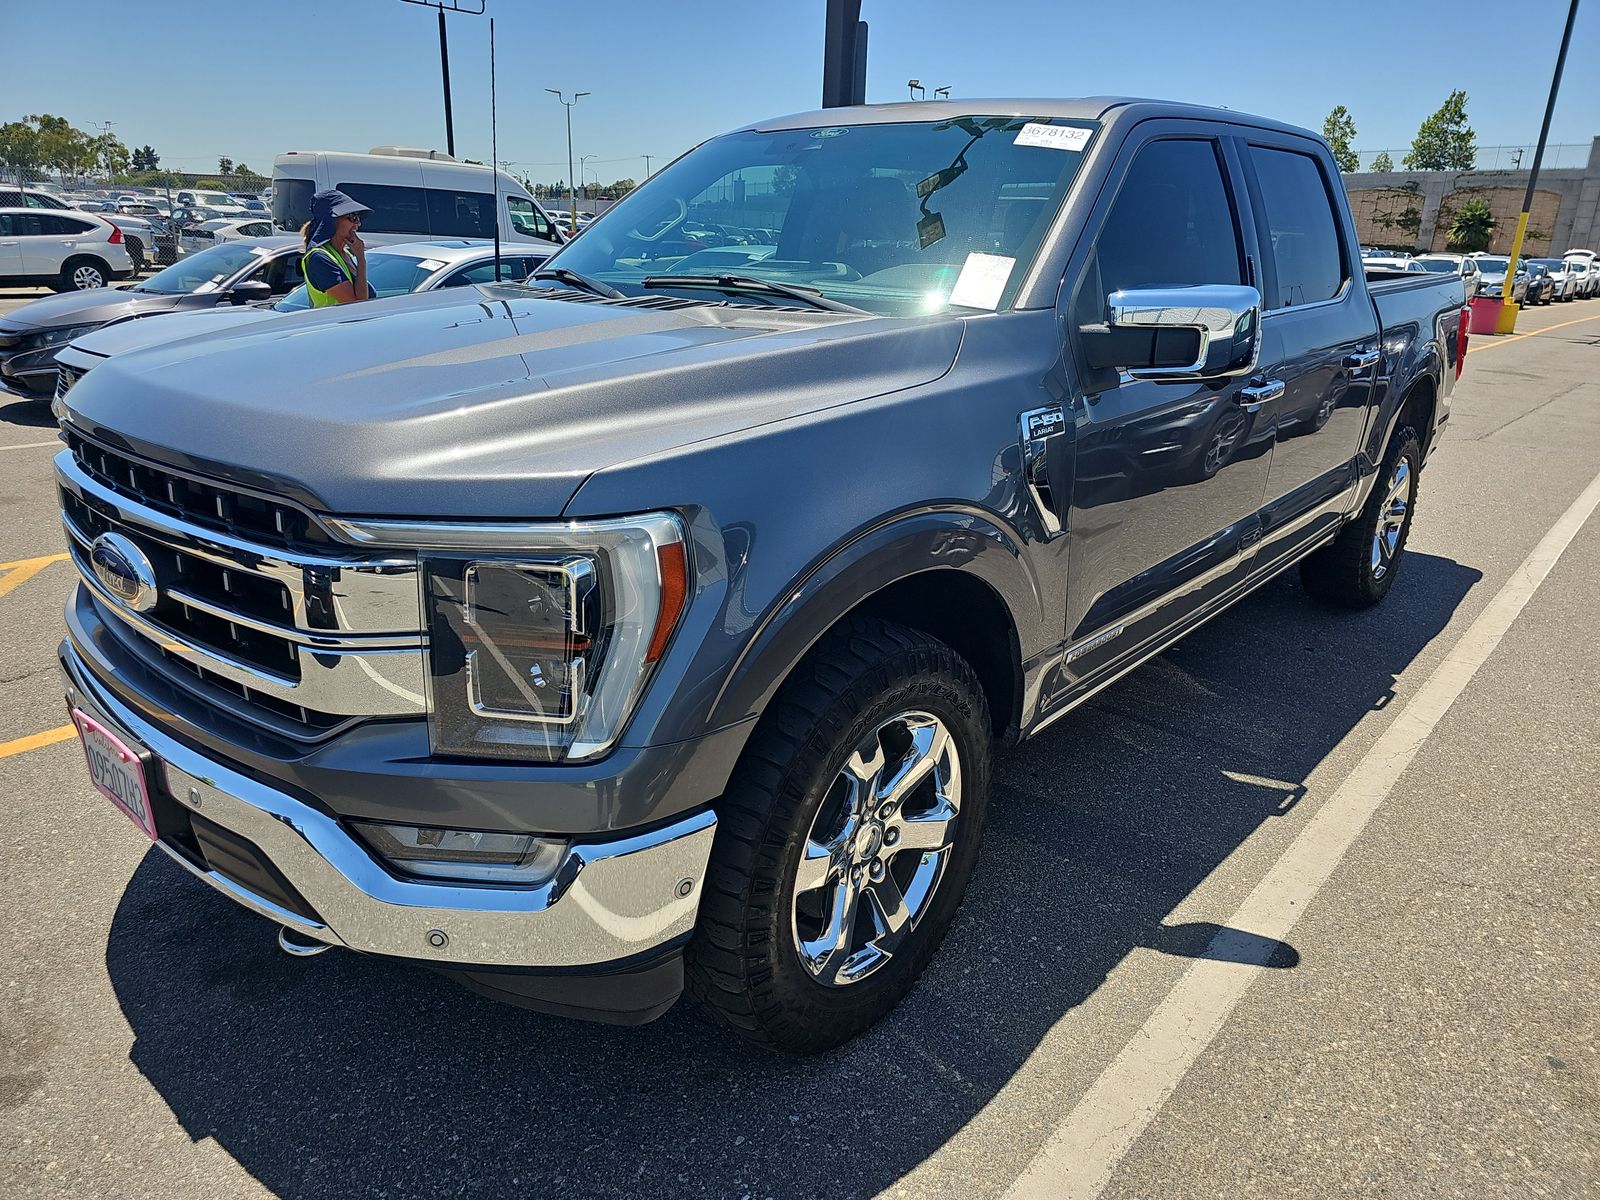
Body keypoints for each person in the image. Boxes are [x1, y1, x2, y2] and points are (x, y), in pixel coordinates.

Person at [300, 189, 375, 307]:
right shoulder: (319, 258)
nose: (357, 224)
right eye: (352, 217)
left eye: (358, 217)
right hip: (332, 324)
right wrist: (361, 259)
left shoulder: (345, 254)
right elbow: (358, 305)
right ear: (332, 221)